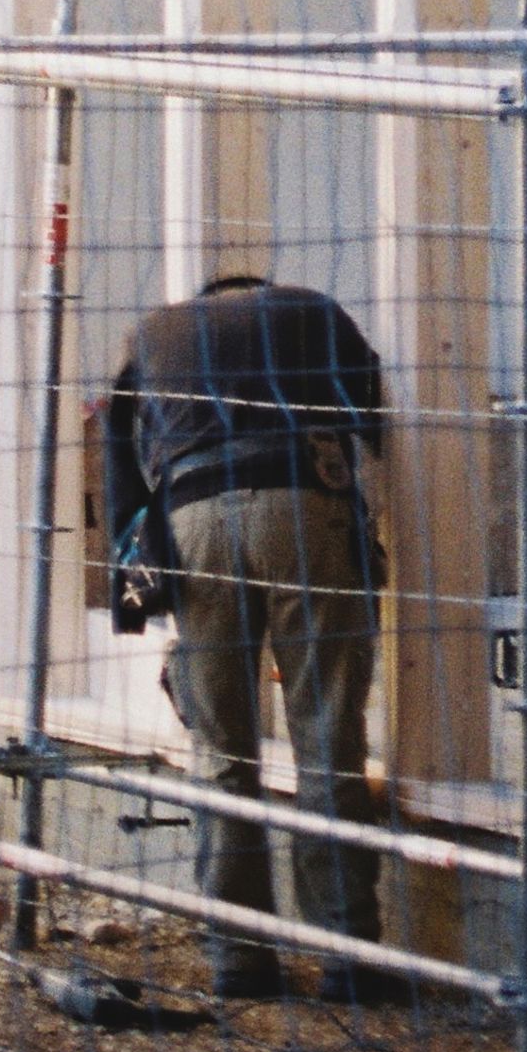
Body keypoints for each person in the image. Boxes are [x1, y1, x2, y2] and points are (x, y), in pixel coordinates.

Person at [103, 273, 408, 1008]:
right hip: (303, 502)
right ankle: (347, 956)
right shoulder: (312, 307)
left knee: (221, 752)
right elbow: (372, 414)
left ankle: (238, 956)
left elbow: (121, 459)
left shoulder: (152, 332)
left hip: (193, 516)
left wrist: (133, 578)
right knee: (327, 734)